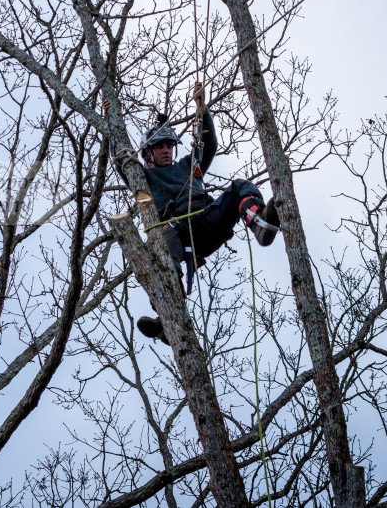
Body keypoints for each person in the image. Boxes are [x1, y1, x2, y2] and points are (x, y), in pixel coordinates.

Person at [111, 84, 280, 343]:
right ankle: (166, 314)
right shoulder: (144, 178)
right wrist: (113, 125)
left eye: (169, 145)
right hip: (179, 236)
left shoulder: (188, 165)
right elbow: (122, 163)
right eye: (160, 147)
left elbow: (208, 145)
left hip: (208, 220)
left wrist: (202, 110)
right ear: (148, 154)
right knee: (161, 237)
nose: (167, 150)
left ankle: (260, 223)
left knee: (238, 187)